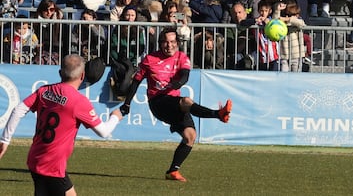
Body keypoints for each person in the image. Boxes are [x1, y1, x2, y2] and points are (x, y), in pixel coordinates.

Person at [119, 27, 233, 182]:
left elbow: (185, 76)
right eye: (165, 42)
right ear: (160, 43)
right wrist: (127, 103)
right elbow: (136, 81)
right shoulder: (149, 59)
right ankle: (218, 114)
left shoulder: (182, 57)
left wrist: (176, 84)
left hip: (174, 102)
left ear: (178, 43)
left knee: (190, 136)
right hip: (158, 102)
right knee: (186, 101)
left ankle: (172, 171)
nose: (169, 45)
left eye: (172, 42)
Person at [0, 54, 123, 195]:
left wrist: (5, 140)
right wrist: (115, 117)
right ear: (82, 76)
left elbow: (18, 109)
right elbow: (104, 132)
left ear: (60, 73)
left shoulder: (44, 91)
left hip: (35, 158)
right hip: (52, 166)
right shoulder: (79, 102)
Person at [274, 0, 306, 72]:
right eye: (289, 14)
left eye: (295, 15)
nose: (293, 17)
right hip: (284, 54)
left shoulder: (298, 21)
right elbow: (274, 21)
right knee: (283, 74)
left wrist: (288, 19)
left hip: (296, 55)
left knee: (295, 77)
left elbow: (302, 24)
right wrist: (277, 10)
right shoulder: (282, 24)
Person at [33, 0, 64, 65]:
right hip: (40, 51)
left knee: (52, 62)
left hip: (55, 51)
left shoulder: (61, 22)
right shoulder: (35, 22)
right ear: (41, 10)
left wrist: (52, 23)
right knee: (39, 61)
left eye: (51, 10)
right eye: (45, 10)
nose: (49, 12)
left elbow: (56, 39)